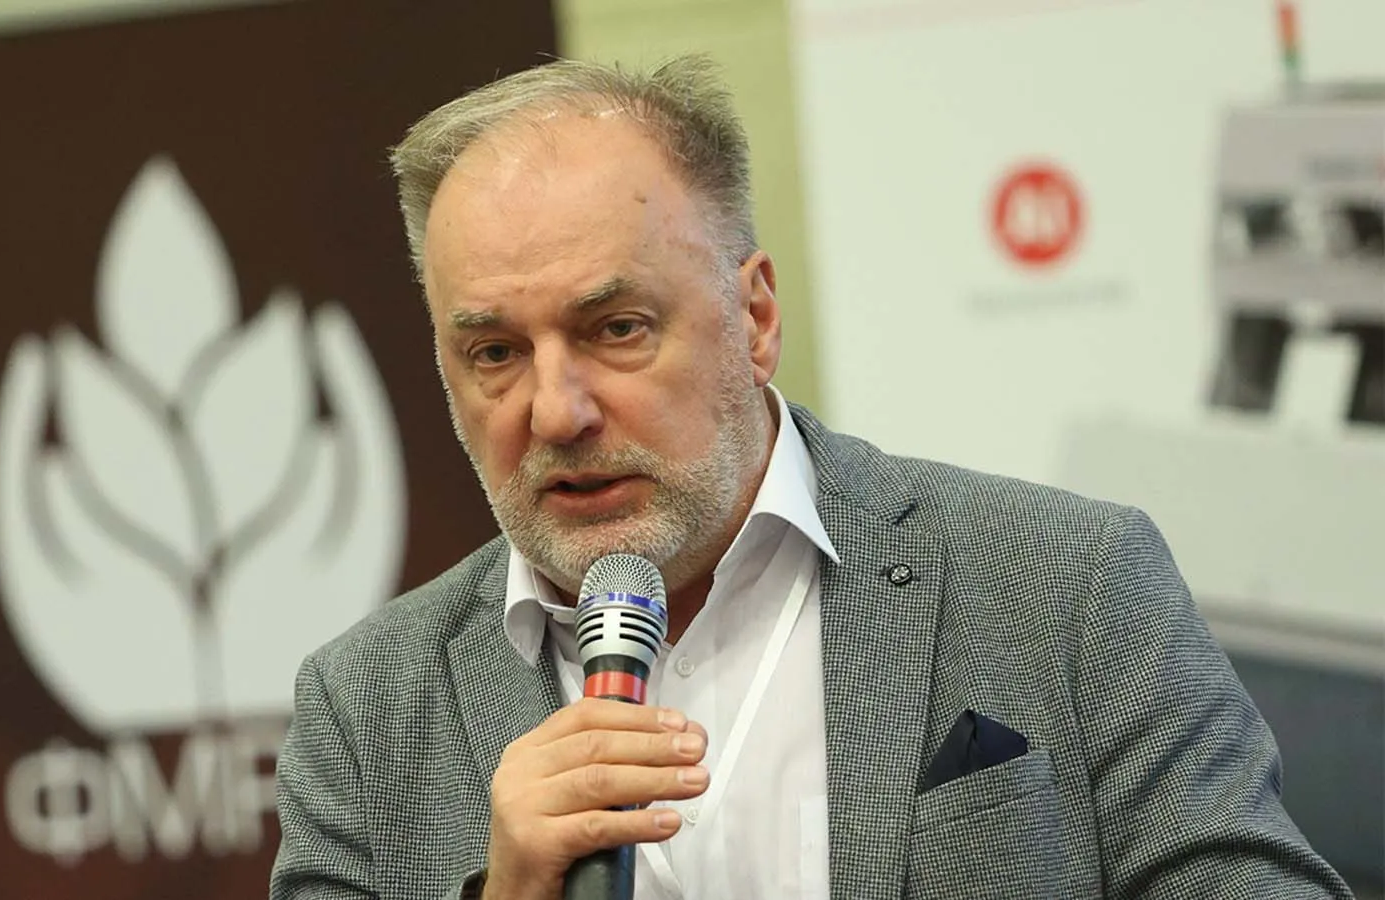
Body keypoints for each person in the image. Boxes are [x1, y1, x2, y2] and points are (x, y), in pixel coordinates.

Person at [269, 55, 1352, 900]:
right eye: (496, 352)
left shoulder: (1065, 586)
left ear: (753, 318)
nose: (556, 410)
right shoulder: (364, 714)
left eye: (617, 328)